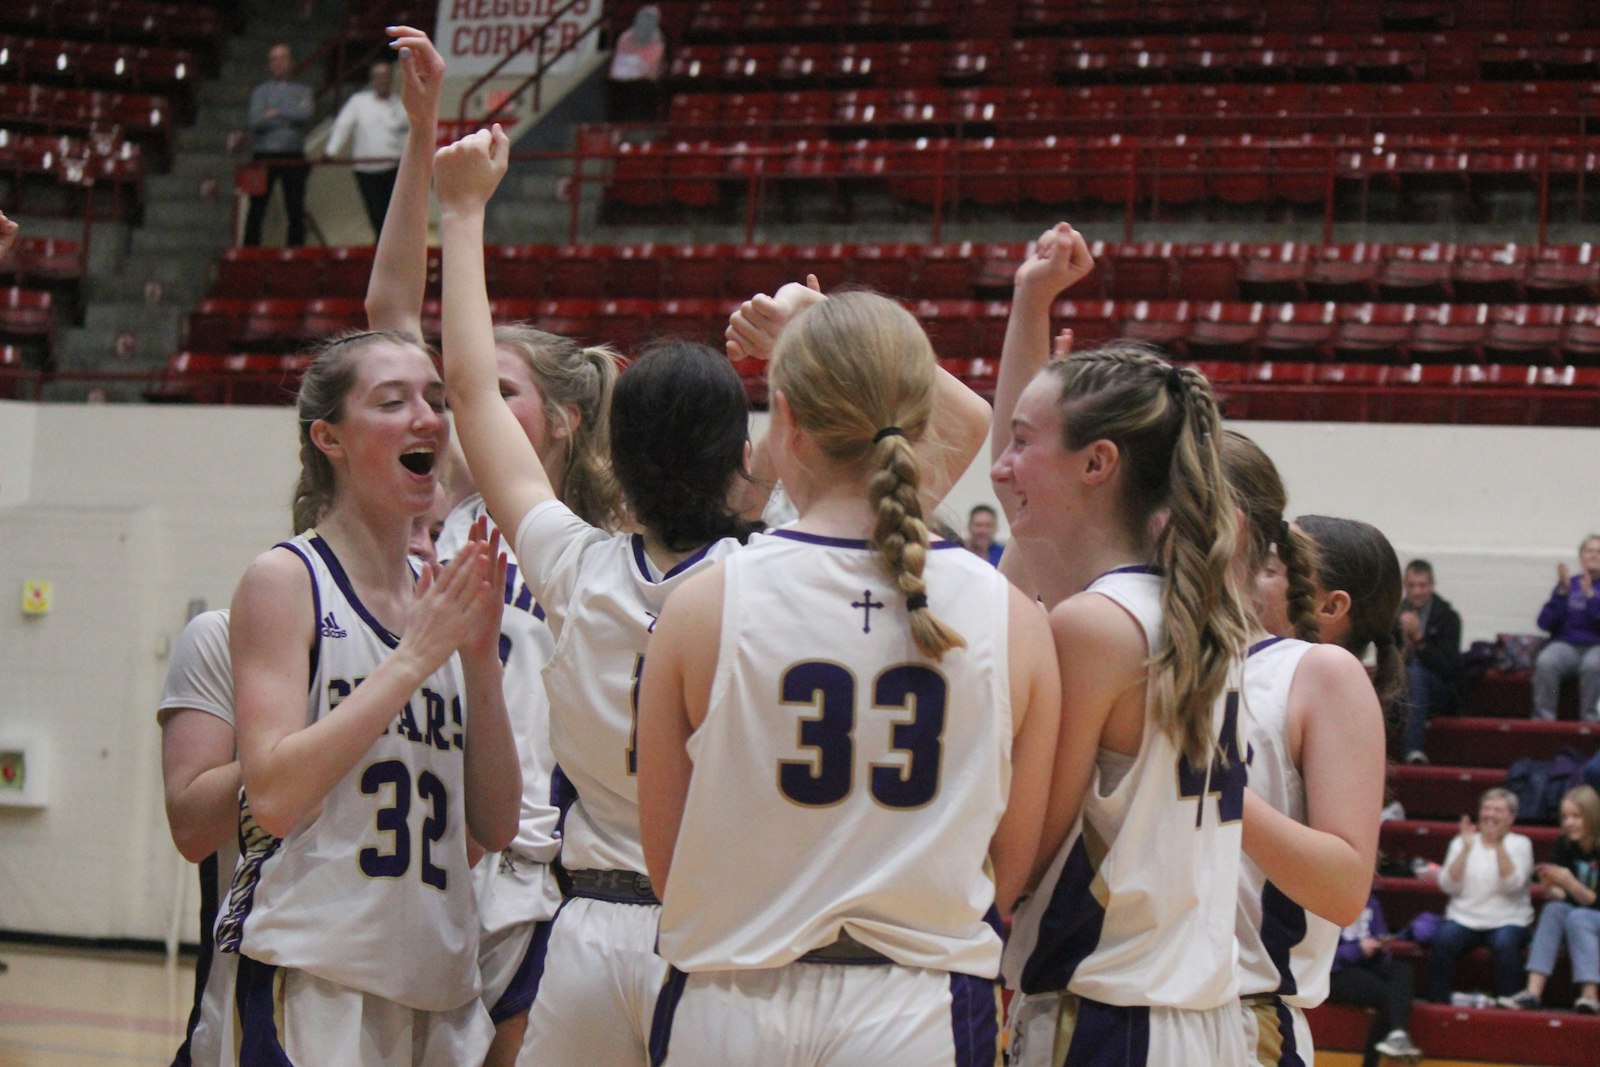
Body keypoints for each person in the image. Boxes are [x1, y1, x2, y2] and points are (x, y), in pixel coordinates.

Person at [436, 127, 991, 1067]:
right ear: (748, 457)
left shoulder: (574, 566)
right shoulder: (775, 565)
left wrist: (461, 213)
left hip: (590, 929)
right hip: (727, 940)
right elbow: (963, 425)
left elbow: (472, 395)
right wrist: (815, 335)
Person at [635, 291, 1059, 1063]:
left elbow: (666, 862)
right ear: (926, 427)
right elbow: (1012, 864)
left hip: (730, 998)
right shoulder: (1016, 619)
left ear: (786, 419)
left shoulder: (701, 604)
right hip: (920, 1006)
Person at [989, 222, 1256, 1065]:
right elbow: (1025, 507)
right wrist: (1032, 300)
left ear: (1099, 462)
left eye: (1024, 445)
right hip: (1189, 1015)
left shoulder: (1093, 626)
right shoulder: (1180, 603)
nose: (1001, 466)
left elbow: (1022, 856)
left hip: (1108, 1018)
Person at [218, 327, 520, 1065]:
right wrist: (416, 656)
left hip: (439, 981)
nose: (428, 418)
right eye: (393, 402)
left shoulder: (442, 599)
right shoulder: (287, 580)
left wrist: (478, 664)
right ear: (330, 437)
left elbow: (496, 822)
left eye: (436, 399)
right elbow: (274, 794)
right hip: (320, 974)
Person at [1222, 433, 1388, 1067]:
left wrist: (1212, 782)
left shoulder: (1317, 674)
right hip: (1145, 999)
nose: (1249, 573)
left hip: (1248, 1016)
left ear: (1330, 605)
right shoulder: (1200, 655)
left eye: (1269, 567)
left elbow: (1345, 888)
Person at [157, 608, 238, 1067]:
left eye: (437, 532)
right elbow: (189, 826)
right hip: (257, 1003)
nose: (427, 548)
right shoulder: (223, 635)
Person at [1426, 787, 1535, 1004]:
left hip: (1509, 919)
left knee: (1506, 944)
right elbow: (1448, 885)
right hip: (1465, 917)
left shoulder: (1521, 844)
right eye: (1487, 808)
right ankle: (1437, 1003)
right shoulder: (1462, 841)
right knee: (1443, 940)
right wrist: (1466, 850)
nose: (1491, 814)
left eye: (1498, 810)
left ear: (1511, 817)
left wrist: (1498, 845)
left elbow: (1513, 885)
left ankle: (1510, 1002)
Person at [1499, 784, 1600, 1013]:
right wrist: (1549, 887)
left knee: (1579, 916)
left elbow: (1594, 902)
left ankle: (1590, 995)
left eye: (1577, 816)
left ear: (1592, 816)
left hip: (1588, 915)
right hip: (1580, 914)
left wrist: (1570, 882)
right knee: (1554, 909)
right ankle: (1533, 993)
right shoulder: (1563, 844)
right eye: (1565, 816)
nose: (1569, 822)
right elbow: (1562, 897)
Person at [1328, 889, 1424, 1064]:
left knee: (1403, 972)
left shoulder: (1371, 901)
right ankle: (1379, 1053)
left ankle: (1397, 1034)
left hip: (1366, 963)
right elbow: (1321, 956)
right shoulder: (1325, 902)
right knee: (1390, 997)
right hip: (1334, 973)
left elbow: (1381, 939)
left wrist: (1382, 947)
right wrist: (1358, 949)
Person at [325, 60, 409, 240]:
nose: (382, 81)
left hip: (395, 168)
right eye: (378, 77)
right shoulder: (358, 102)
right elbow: (343, 126)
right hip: (366, 170)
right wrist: (331, 151)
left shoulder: (402, 105)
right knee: (377, 215)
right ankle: (382, 255)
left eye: (386, 76)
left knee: (396, 217)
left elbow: (410, 134)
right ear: (371, 80)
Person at [243, 42, 314, 248]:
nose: (277, 63)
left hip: (293, 155)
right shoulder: (260, 92)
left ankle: (296, 252)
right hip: (263, 155)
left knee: (295, 207)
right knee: (257, 208)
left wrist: (276, 112)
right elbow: (255, 120)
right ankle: (250, 251)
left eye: (282, 58)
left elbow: (306, 114)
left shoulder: (303, 91)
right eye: (273, 59)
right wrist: (290, 113)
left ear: (290, 62)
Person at [1397, 559, 1462, 765]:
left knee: (1416, 673)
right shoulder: (1394, 615)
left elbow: (1448, 667)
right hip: (1402, 686)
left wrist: (1419, 639)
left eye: (1422, 585)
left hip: (1439, 690)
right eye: (1412, 585)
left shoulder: (1448, 618)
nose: (1417, 591)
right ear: (1404, 585)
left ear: (1432, 585)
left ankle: (1413, 749)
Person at [1533, 535, 1600, 723]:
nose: (1594, 555)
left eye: (1599, 552)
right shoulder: (1569, 584)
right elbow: (1544, 623)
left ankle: (1590, 719)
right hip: (1566, 646)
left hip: (1596, 647)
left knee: (1593, 666)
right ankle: (1545, 717)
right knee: (1547, 662)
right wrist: (1562, 594)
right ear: (1581, 558)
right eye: (1589, 551)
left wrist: (1591, 597)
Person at [606, 5, 665, 121]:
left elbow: (652, 69)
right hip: (620, 83)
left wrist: (641, 70)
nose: (645, 22)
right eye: (643, 18)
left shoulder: (657, 40)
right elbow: (618, 61)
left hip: (643, 85)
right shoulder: (625, 37)